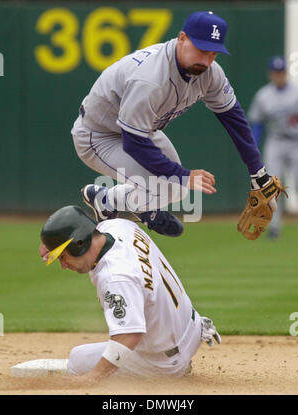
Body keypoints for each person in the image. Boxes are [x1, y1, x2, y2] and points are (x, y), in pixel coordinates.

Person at [72, 10, 272, 237]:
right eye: (202, 50)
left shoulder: (210, 73)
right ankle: (139, 208)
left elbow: (233, 118)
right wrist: (184, 174)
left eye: (214, 54)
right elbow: (134, 143)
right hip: (98, 136)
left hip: (141, 130)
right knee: (164, 186)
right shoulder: (150, 78)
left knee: (178, 190)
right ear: (182, 38)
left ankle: (107, 199)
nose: (206, 60)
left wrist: (258, 172)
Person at [39, 205, 221, 382]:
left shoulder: (116, 277)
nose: (63, 265)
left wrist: (92, 377)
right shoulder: (119, 226)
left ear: (79, 243)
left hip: (165, 362)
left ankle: (170, 372)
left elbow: (129, 336)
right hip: (190, 329)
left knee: (78, 360)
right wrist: (54, 240)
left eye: (63, 256)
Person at [248, 56, 298, 239]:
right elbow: (258, 124)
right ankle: (275, 228)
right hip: (275, 141)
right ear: (271, 74)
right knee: (272, 187)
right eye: (276, 72)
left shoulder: (296, 92)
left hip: (295, 142)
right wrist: (253, 149)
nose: (279, 76)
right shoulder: (264, 95)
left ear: (286, 73)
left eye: (281, 72)